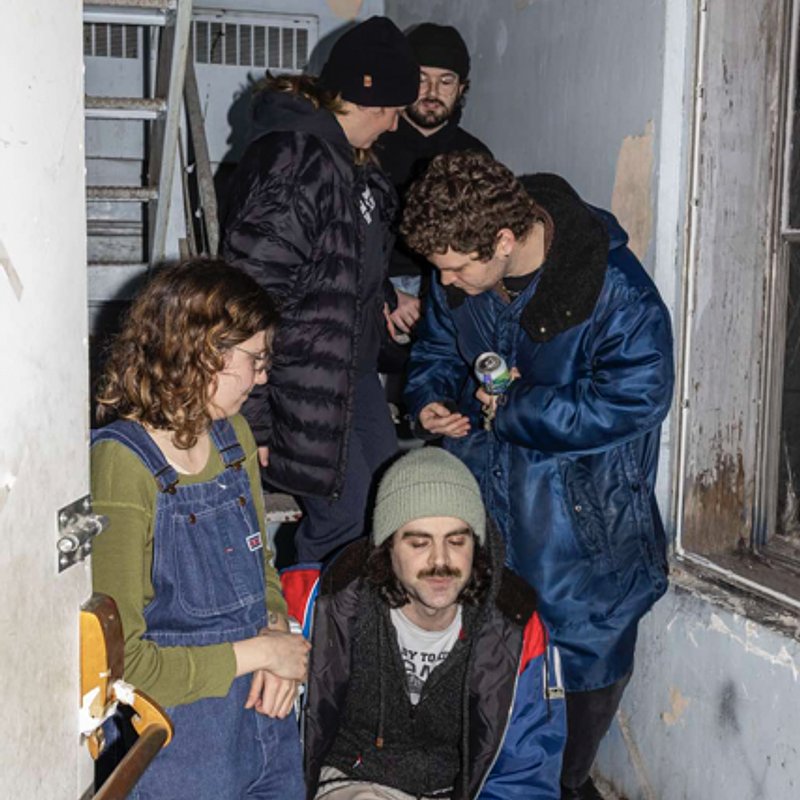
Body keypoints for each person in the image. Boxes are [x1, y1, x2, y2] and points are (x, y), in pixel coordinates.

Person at [400, 151, 674, 800]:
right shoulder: (460, 267)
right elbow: (437, 349)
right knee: (490, 697)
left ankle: (568, 785)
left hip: (583, 533)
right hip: (484, 516)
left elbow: (638, 396)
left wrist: (519, 409)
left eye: (457, 269)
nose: (447, 283)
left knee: (575, 709)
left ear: (503, 240)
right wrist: (430, 398)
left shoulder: (617, 289)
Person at [91, 260, 311, 800]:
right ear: (205, 352)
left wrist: (278, 634)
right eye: (255, 359)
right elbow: (124, 665)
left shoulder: (234, 437)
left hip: (263, 722)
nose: (262, 377)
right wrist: (264, 654)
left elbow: (261, 567)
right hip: (180, 745)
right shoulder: (121, 464)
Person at [221, 16, 421, 565]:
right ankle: (314, 619)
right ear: (367, 99)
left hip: (349, 377)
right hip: (301, 384)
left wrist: (384, 299)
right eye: (394, 110)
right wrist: (254, 419)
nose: (395, 125)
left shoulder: (347, 164)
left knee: (389, 510)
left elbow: (333, 264)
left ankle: (353, 619)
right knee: (343, 526)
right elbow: (250, 295)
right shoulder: (298, 160)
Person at [282, 447, 566, 799]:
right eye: (419, 543)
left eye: (457, 541)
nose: (440, 561)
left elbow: (525, 771)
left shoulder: (515, 627)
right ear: (387, 546)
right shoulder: (319, 602)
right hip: (350, 780)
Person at [375, 22, 491, 300]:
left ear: (461, 88)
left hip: (451, 290)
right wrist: (385, 293)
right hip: (377, 287)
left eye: (446, 81)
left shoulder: (475, 156)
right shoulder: (371, 145)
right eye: (421, 78)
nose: (432, 91)